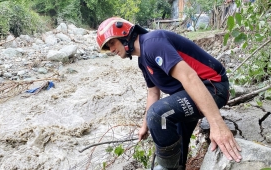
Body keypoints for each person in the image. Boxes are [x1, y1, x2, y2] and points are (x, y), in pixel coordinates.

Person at [96, 17, 242, 170]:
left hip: (214, 87)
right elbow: (153, 93)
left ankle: (167, 168)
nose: (111, 50)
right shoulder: (143, 61)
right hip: (190, 93)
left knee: (160, 115)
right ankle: (178, 166)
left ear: (125, 34)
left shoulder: (153, 44)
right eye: (108, 47)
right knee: (171, 130)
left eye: (112, 43)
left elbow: (190, 77)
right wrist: (145, 125)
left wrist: (217, 124)